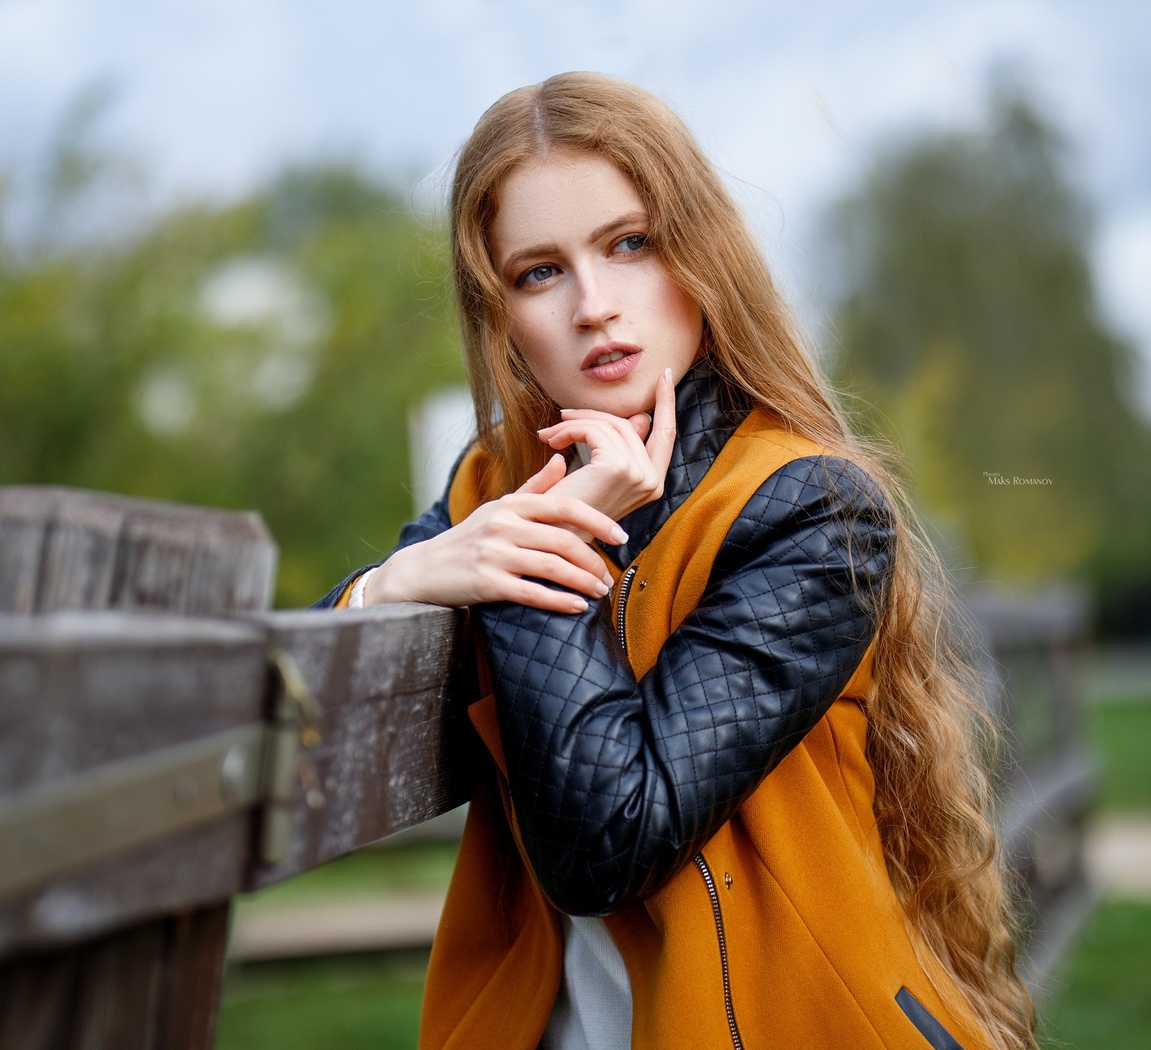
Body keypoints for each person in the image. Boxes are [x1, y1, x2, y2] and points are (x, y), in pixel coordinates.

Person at [316, 72, 1035, 1050]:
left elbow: (609, 842)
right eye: (539, 271)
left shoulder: (811, 508)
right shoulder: (490, 477)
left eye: (628, 244)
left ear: (698, 251)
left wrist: (559, 530)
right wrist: (387, 585)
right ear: (502, 314)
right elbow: (304, 699)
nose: (594, 305)